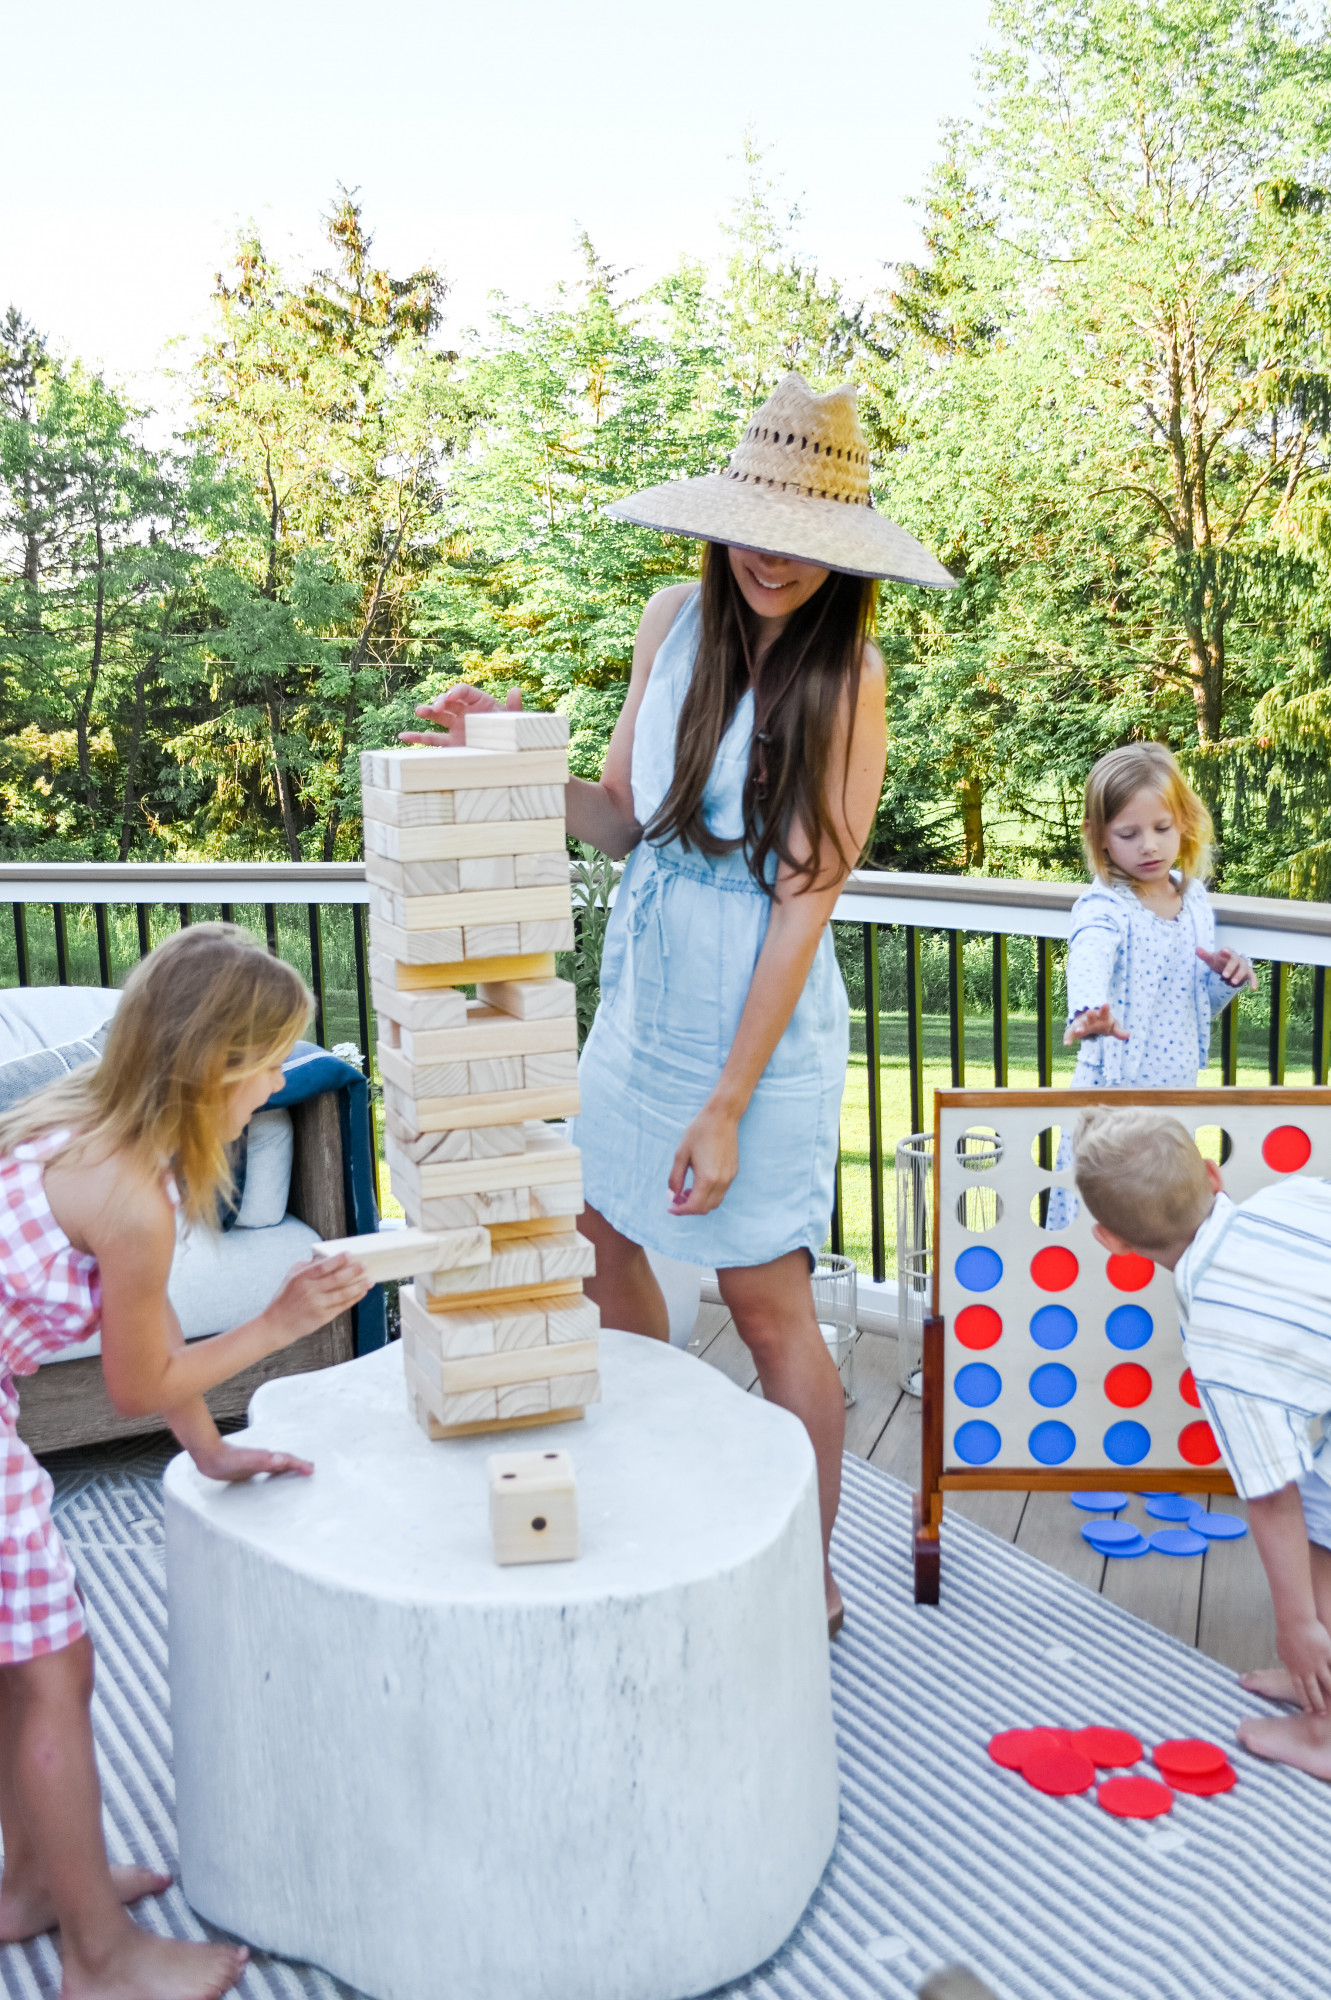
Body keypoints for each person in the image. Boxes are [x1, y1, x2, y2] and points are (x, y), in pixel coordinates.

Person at [403, 371, 953, 1634]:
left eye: (804, 539)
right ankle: (663, 1497)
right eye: (753, 525)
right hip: (641, 1004)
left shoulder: (845, 673)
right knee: (603, 1242)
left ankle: (799, 1569)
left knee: (767, 1307)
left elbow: (804, 898)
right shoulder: (669, 621)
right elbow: (618, 825)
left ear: (841, 551)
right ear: (717, 520)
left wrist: (725, 1103)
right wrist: (508, 747)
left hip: (752, 1027)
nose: (771, 556)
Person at [0, 924, 370, 1998]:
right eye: (268, 1061)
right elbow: (134, 1382)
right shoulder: (132, 1194)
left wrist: (212, 1451)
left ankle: (29, 1883)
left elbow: (150, 1339)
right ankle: (99, 1958)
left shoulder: (87, 1114)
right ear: (213, 1066)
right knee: (57, 1672)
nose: (277, 1082)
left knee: (21, 1671)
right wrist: (280, 1316)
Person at [1074, 1105, 1331, 1780]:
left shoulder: (1222, 1339)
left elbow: (1271, 1498)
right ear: (1213, 1176)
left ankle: (1326, 1731)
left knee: (1317, 1567)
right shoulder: (1296, 1193)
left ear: (1110, 1241)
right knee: (1321, 1530)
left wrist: (1296, 1627)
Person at [1063, 743, 1256, 1082]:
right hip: (1112, 1095)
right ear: (1098, 836)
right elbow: (1089, 955)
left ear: (1183, 823)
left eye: (1162, 828)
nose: (1149, 845)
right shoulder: (1106, 906)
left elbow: (1198, 1006)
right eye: (1128, 833)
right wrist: (1089, 1009)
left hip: (1176, 1092)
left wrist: (1227, 979)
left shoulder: (1193, 900)